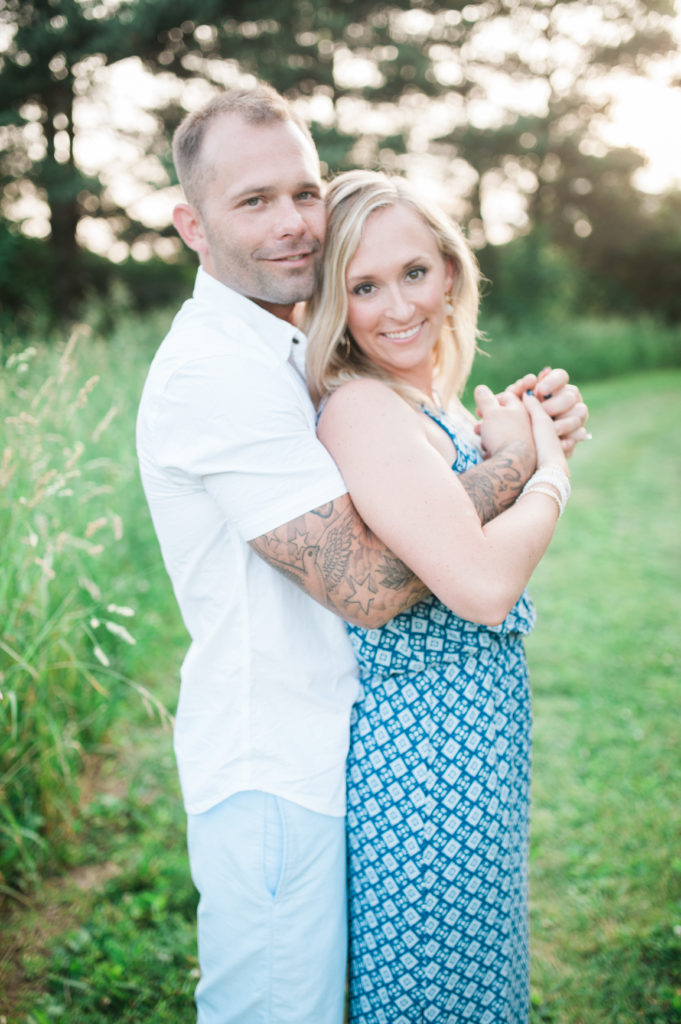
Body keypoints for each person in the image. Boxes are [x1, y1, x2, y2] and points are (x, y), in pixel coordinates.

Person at [136, 83, 588, 1024]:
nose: (294, 223)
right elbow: (377, 579)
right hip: (278, 774)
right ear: (191, 223)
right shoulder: (215, 373)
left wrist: (508, 439)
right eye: (252, 201)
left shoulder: (286, 344)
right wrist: (528, 468)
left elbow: (410, 485)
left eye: (304, 192)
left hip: (351, 750)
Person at [304, 169, 574, 1023]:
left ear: (450, 272)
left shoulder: (430, 405)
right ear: (333, 304)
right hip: (424, 765)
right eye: (363, 286)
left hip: (476, 743)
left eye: (413, 274)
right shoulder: (361, 410)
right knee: (434, 999)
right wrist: (548, 474)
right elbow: (485, 587)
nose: (396, 308)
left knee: (473, 986)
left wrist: (511, 439)